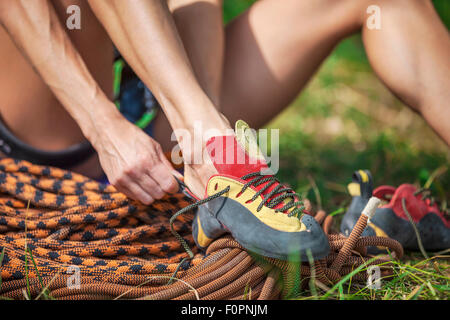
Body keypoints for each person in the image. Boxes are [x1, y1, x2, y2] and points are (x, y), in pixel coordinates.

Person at [0, 0, 448, 205]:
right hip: (63, 123)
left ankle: (204, 150)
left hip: (163, 108)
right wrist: (103, 125)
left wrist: (199, 126)